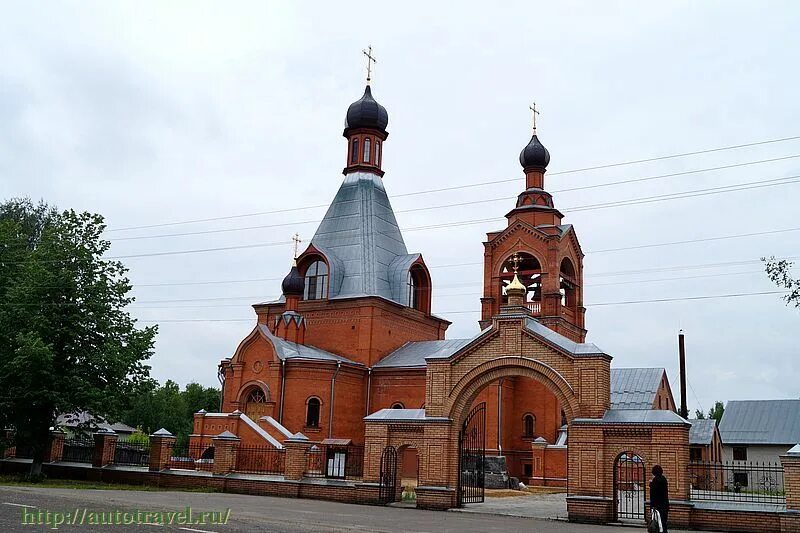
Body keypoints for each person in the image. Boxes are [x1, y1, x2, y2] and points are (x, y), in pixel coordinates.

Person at [649, 464, 669, 533]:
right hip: (665, 505)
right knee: (663, 523)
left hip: (657, 506)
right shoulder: (664, 479)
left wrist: (651, 485)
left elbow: (654, 494)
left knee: (658, 524)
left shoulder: (655, 480)